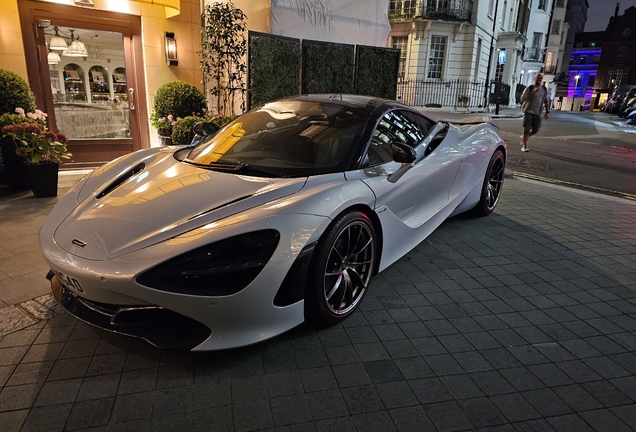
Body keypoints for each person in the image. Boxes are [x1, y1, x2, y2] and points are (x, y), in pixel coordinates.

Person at [520, 74, 550, 152]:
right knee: (526, 129)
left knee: (535, 130)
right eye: (537, 78)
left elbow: (546, 101)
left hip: (537, 113)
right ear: (535, 79)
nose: (539, 80)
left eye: (540, 78)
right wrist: (533, 93)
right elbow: (523, 98)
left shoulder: (544, 89)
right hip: (528, 111)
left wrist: (547, 112)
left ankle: (525, 138)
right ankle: (525, 145)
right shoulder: (530, 88)